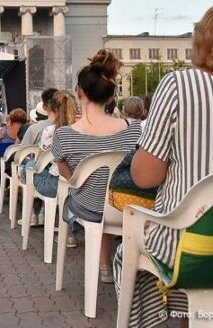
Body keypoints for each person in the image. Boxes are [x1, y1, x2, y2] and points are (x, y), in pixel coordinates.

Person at [113, 2, 213, 328]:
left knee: (128, 251)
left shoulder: (179, 85)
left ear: (203, 40)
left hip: (193, 250)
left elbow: (144, 176)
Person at [51, 49, 142, 275]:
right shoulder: (134, 130)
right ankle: (106, 265)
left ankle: (92, 255)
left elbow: (69, 176)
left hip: (89, 208)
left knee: (82, 193)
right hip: (126, 207)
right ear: (111, 97)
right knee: (108, 192)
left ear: (78, 92)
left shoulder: (63, 135)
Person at [22, 91, 77, 225]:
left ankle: (33, 214)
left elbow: (39, 163)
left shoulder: (50, 131)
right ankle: (69, 233)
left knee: (29, 166)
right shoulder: (83, 130)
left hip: (55, 186)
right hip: (80, 185)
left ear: (51, 109)